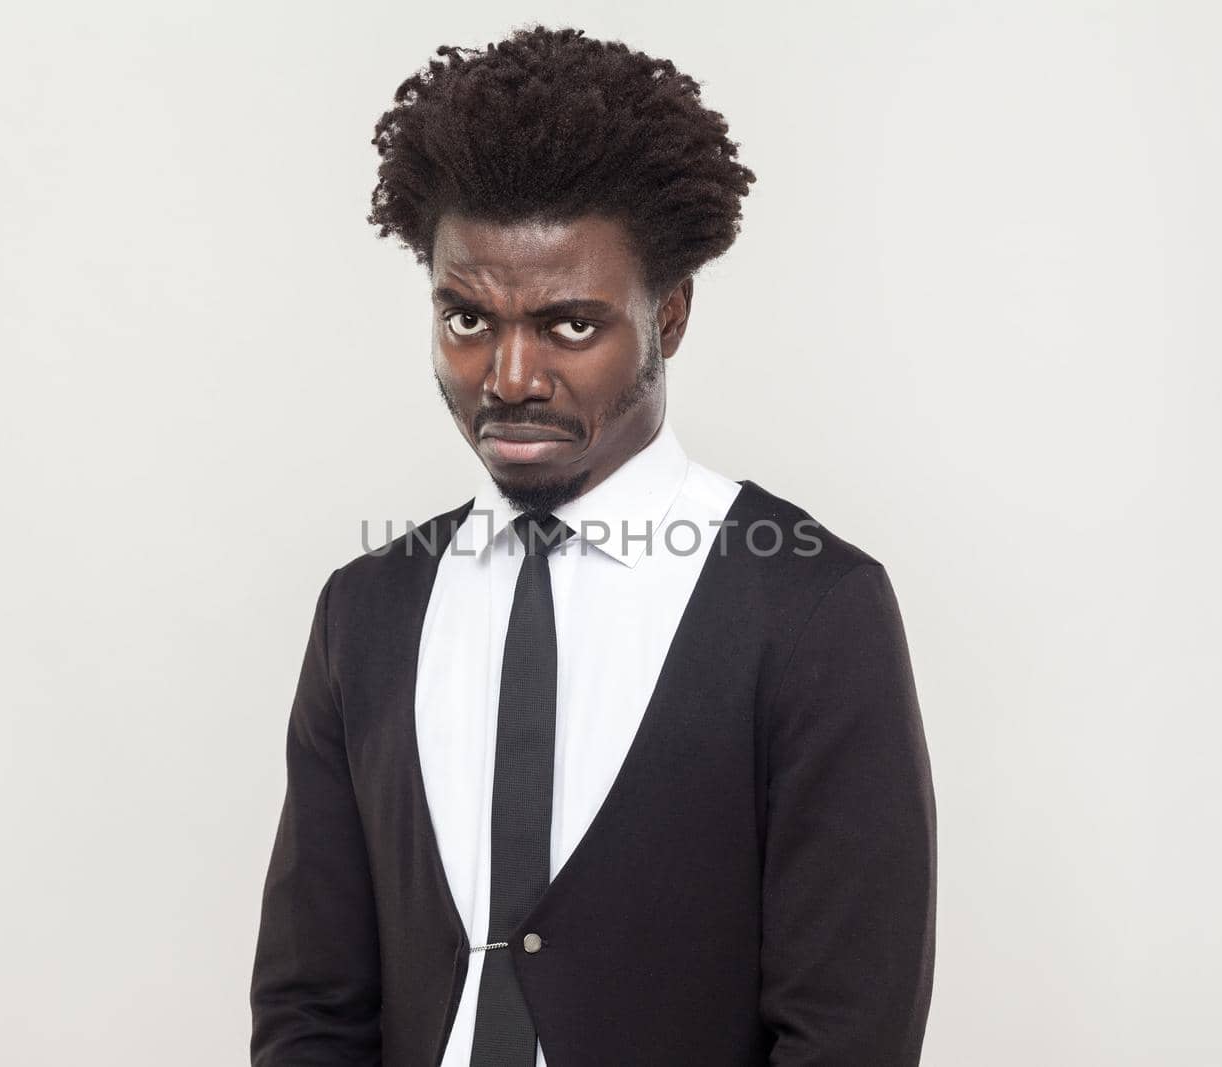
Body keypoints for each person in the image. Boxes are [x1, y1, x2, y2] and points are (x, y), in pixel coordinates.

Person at [250, 24, 936, 1067]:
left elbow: (849, 1028)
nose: (509, 374)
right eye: (466, 318)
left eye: (570, 324)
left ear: (670, 313)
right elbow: (310, 1003)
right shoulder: (368, 610)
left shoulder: (809, 606)